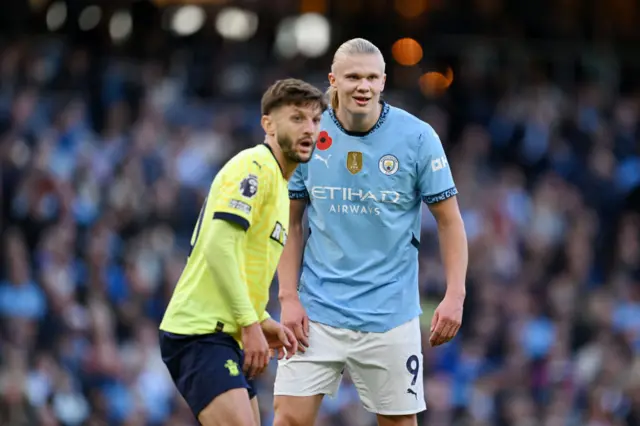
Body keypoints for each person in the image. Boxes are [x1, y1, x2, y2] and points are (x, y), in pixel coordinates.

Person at [273, 39, 469, 426]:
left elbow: (450, 221)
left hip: (390, 315)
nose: (362, 86)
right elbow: (290, 221)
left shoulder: (417, 138)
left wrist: (455, 294)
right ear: (333, 80)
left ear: (383, 81)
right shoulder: (307, 134)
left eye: (371, 78)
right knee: (288, 419)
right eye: (352, 77)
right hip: (317, 311)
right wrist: (288, 297)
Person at [159, 78, 327, 426]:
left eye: (315, 120)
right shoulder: (253, 167)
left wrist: (262, 321)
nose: (309, 128)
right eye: (297, 118)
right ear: (268, 123)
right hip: (200, 332)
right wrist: (251, 323)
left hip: (223, 334)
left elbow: (241, 263)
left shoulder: (280, 183)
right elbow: (218, 248)